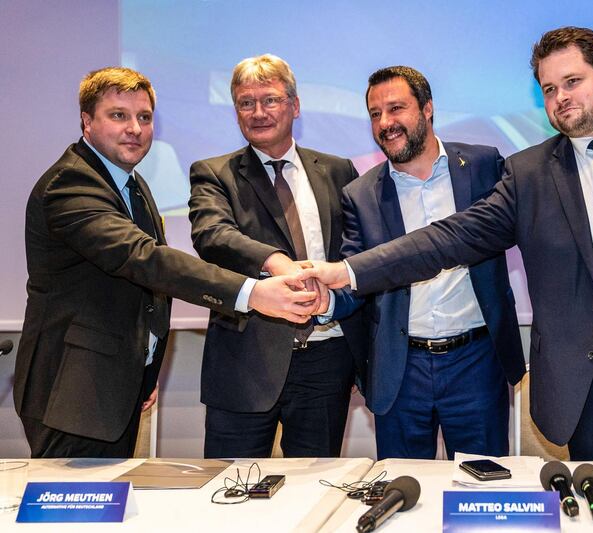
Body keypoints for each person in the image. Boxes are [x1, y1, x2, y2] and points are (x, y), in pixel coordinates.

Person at [303, 27, 593, 460]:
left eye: (572, 81)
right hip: (590, 378)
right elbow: (450, 237)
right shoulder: (528, 174)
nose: (561, 97)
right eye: (549, 89)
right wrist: (346, 272)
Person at [16, 67, 316, 458]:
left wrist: (144, 362)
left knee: (111, 511)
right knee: (74, 516)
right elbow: (144, 260)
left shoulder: (131, 183)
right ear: (87, 122)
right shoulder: (70, 184)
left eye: (144, 117)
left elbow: (144, 290)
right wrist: (252, 292)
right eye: (118, 115)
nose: (135, 129)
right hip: (73, 392)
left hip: (113, 384)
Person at [330, 66, 525, 459]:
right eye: (374, 114)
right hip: (402, 370)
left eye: (396, 108)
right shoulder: (360, 194)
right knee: (403, 493)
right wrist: (325, 302)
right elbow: (355, 276)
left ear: (428, 108)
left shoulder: (485, 166)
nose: (385, 123)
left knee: (482, 491)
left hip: (476, 362)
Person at [188, 54, 366, 458]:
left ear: (295, 105)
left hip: (326, 358)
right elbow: (212, 235)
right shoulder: (214, 172)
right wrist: (276, 262)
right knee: (230, 493)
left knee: (315, 492)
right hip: (244, 363)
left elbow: (358, 256)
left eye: (269, 100)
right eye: (245, 103)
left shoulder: (338, 171)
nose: (258, 112)